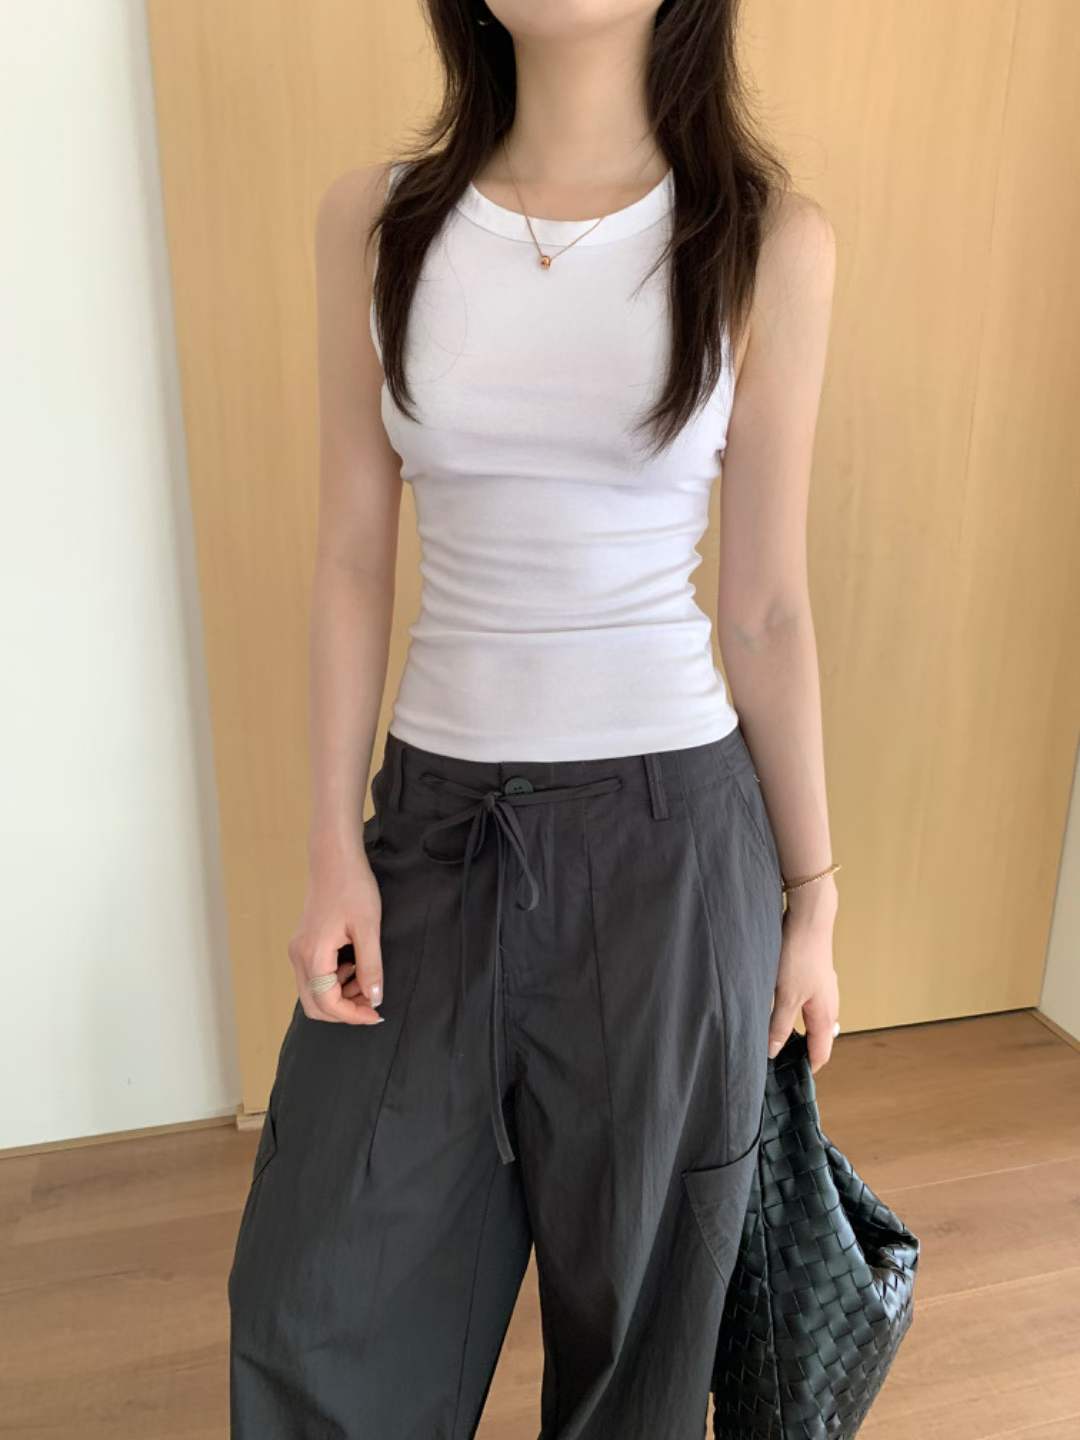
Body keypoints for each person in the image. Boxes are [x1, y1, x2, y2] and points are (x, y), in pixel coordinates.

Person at [228, 1, 839, 1434]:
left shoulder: (764, 240)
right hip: (435, 831)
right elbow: (351, 558)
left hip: (670, 848)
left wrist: (813, 899)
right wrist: (331, 843)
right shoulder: (377, 222)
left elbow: (764, 608)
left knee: (639, 1336)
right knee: (318, 1307)